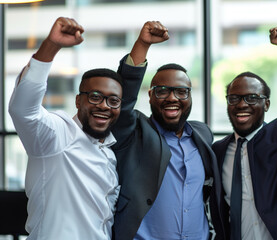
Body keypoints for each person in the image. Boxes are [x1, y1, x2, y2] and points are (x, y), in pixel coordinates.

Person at [8, 17, 168, 240]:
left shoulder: (110, 154)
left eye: (113, 101)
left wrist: (143, 45)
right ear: (77, 101)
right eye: (95, 97)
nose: (104, 105)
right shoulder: (57, 137)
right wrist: (52, 46)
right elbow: (23, 109)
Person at [110, 25, 222, 240]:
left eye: (181, 91)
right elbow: (122, 103)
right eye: (162, 91)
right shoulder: (136, 132)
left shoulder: (202, 134)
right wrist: (142, 45)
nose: (172, 98)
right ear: (150, 96)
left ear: (190, 97)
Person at [211, 25, 277, 240]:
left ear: (266, 105)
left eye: (252, 98)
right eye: (234, 98)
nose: (242, 104)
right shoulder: (217, 150)